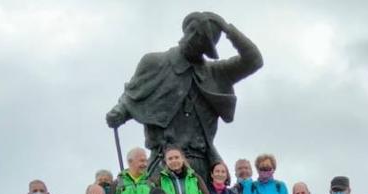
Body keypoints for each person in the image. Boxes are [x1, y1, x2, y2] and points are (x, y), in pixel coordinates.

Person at [105, 12, 263, 185]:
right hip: (163, 162)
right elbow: (132, 98)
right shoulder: (154, 62)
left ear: (207, 48)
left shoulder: (216, 73)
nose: (193, 39)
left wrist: (228, 29)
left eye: (201, 38)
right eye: (192, 31)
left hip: (201, 163)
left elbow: (254, 60)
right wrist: (119, 112)